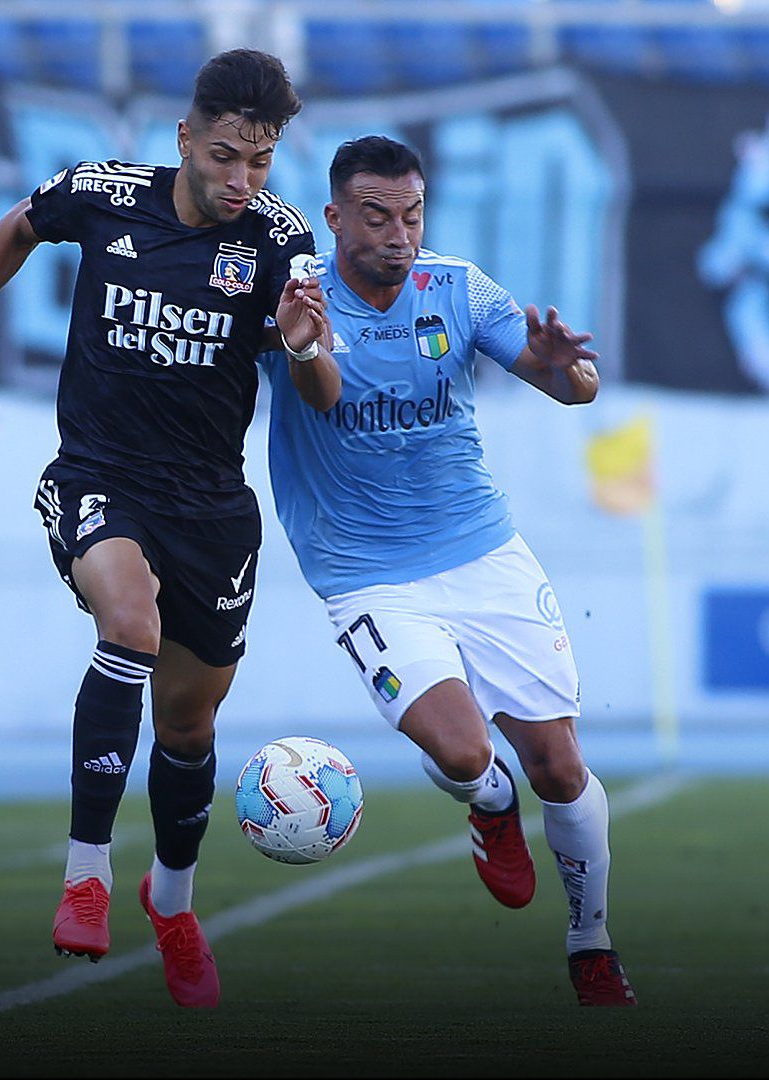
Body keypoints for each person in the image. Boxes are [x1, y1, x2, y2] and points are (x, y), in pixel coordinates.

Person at [0, 49, 337, 1008]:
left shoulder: (279, 240)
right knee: (129, 623)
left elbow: (322, 381)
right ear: (183, 138)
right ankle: (86, 875)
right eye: (225, 155)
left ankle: (172, 905)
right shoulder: (102, 193)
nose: (241, 181)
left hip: (212, 509)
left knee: (188, 723)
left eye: (259, 163)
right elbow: (19, 228)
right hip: (98, 477)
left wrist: (306, 348)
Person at [260, 136, 632, 1006]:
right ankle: (488, 802)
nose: (399, 234)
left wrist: (562, 368)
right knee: (466, 751)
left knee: (562, 767)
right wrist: (306, 346)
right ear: (336, 216)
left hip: (482, 552)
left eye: (413, 214)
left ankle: (592, 939)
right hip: (364, 571)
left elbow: (571, 387)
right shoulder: (300, 298)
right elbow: (322, 396)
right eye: (379, 216)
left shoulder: (458, 288)